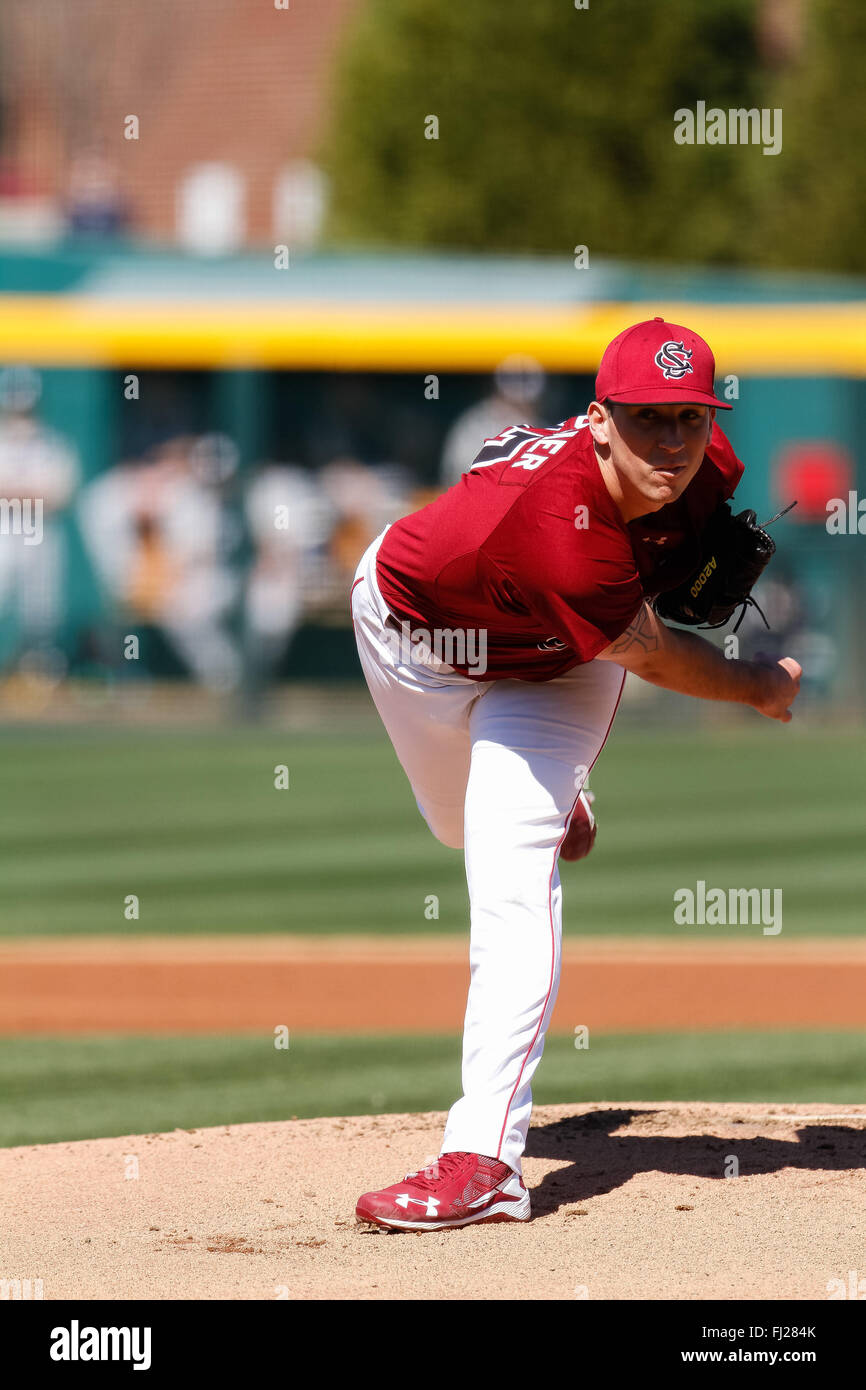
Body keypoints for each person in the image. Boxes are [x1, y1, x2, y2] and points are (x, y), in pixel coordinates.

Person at [349, 318, 801, 1232]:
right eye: (646, 419)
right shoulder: (558, 527)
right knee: (457, 829)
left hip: (559, 664)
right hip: (414, 642)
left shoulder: (705, 468)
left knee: (508, 880)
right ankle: (559, 806)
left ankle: (484, 1161)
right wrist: (759, 685)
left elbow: (650, 602)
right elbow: (664, 657)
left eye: (689, 416)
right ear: (598, 419)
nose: (674, 441)